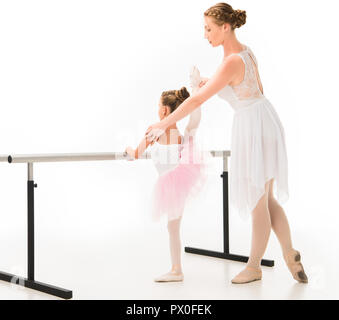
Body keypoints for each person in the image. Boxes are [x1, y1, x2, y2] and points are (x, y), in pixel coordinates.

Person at [145, 2, 308, 284]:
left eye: (208, 29)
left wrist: (162, 123)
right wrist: (208, 83)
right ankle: (289, 251)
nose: (205, 34)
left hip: (253, 128)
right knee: (267, 198)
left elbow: (198, 99)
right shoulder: (246, 53)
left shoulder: (231, 60)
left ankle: (254, 266)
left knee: (258, 199)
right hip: (265, 120)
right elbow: (247, 91)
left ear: (225, 27)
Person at [125, 73, 210, 282]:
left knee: (172, 228)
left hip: (169, 186)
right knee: (173, 228)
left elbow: (135, 154)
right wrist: (197, 94)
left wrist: (127, 150)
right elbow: (195, 120)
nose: (157, 110)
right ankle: (176, 268)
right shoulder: (181, 136)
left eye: (158, 106)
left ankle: (177, 270)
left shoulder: (155, 131)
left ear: (164, 110)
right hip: (180, 185)